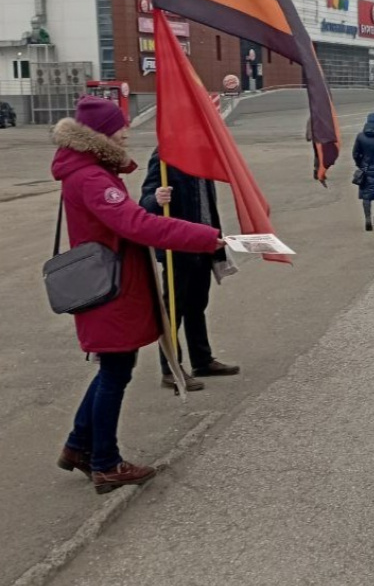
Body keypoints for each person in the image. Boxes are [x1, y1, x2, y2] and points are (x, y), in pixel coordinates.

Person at [52, 96, 222, 494]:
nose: (126, 131)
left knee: (113, 368)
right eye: (120, 126)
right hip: (109, 286)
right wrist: (208, 237)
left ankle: (79, 445)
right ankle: (106, 463)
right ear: (98, 134)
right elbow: (138, 225)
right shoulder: (91, 177)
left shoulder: (88, 168)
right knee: (115, 371)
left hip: (106, 281)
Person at [140, 149, 241, 391]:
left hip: (203, 243)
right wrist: (156, 198)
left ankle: (202, 360)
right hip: (179, 245)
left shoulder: (201, 155)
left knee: (197, 305)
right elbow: (145, 201)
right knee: (173, 308)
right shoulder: (165, 155)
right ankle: (171, 368)